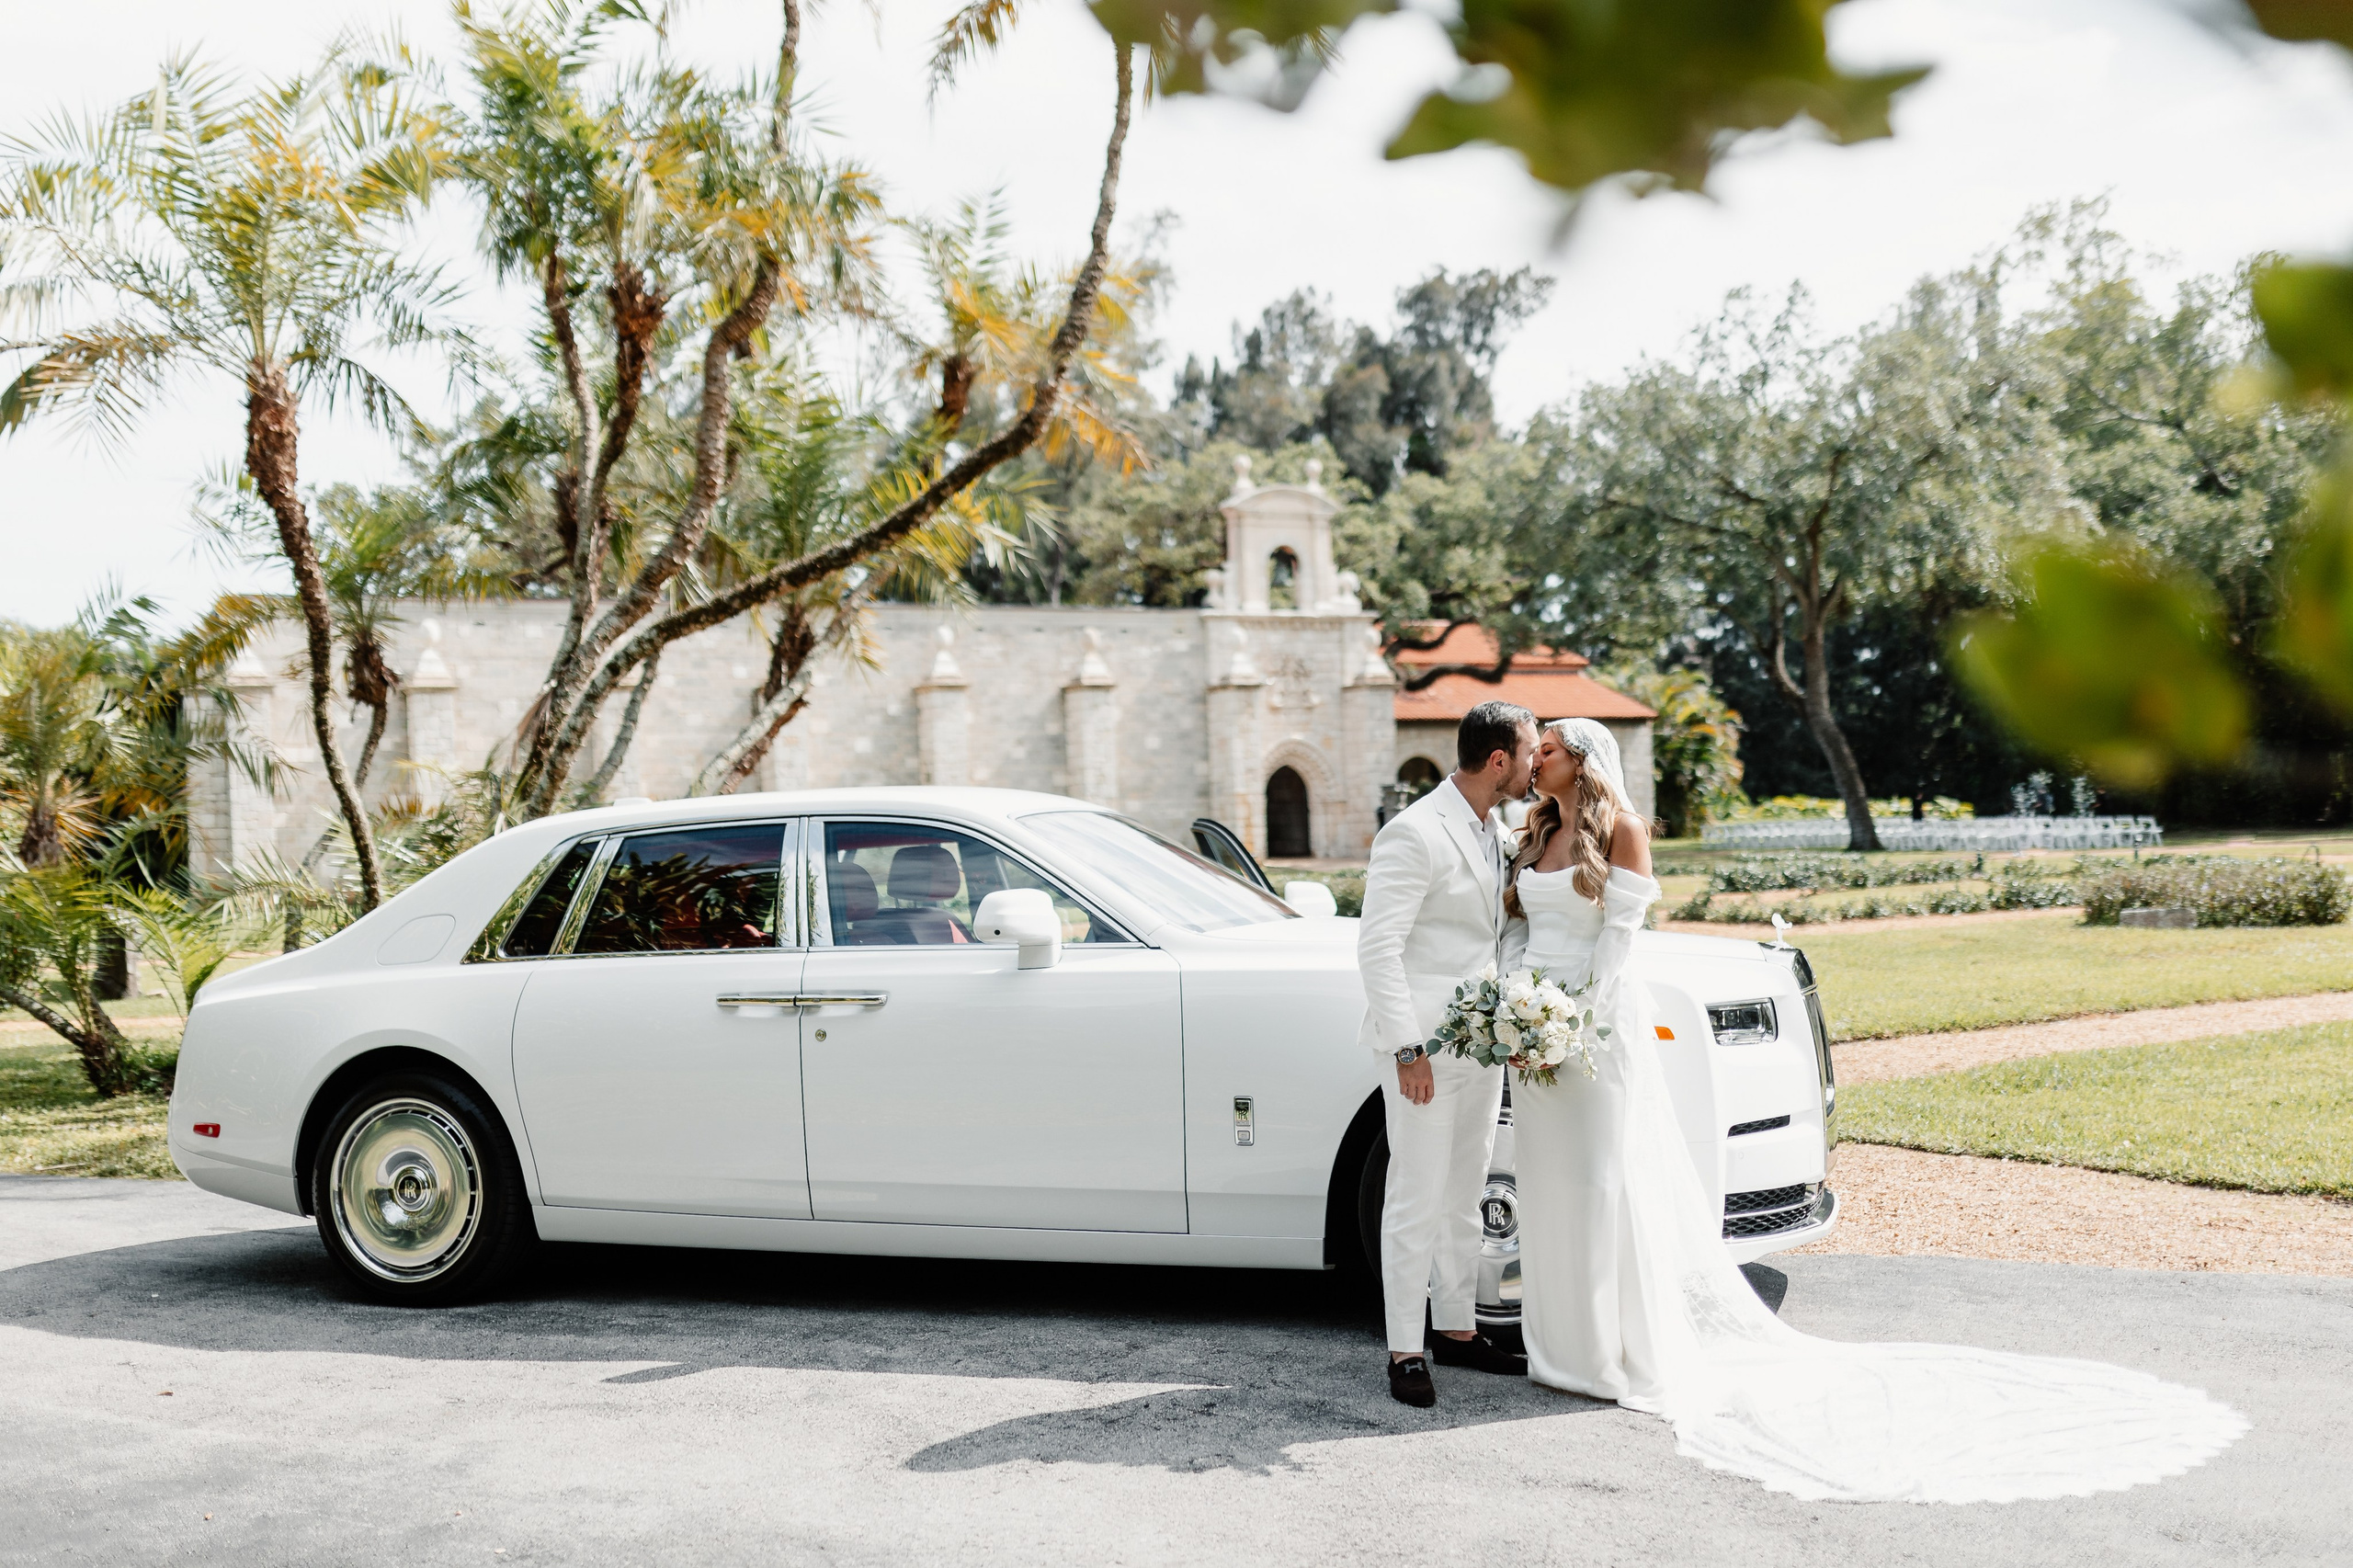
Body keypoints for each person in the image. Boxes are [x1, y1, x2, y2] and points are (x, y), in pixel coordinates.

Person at [1502, 717, 2246, 1502]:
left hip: (1595, 1031)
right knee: (1548, 1186)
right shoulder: (1534, 831)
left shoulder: (1619, 830)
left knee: (1601, 1186)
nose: (1534, 759)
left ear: (1581, 759)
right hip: (1536, 1034)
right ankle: (1558, 1349)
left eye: (1545, 748)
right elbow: (1518, 931)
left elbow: (1620, 944)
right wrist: (1520, 1009)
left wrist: (1571, 1018)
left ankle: (1610, 1353)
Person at [1356, 700, 1537, 1407]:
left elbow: (1497, 937)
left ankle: (1458, 1332)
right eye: (1527, 755)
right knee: (1416, 1196)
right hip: (1423, 1049)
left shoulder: (1500, 828)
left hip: (1483, 1044)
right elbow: (1379, 948)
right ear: (1499, 760)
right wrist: (1409, 1050)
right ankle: (1406, 1348)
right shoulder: (1413, 833)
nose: (1532, 767)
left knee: (1463, 1194)